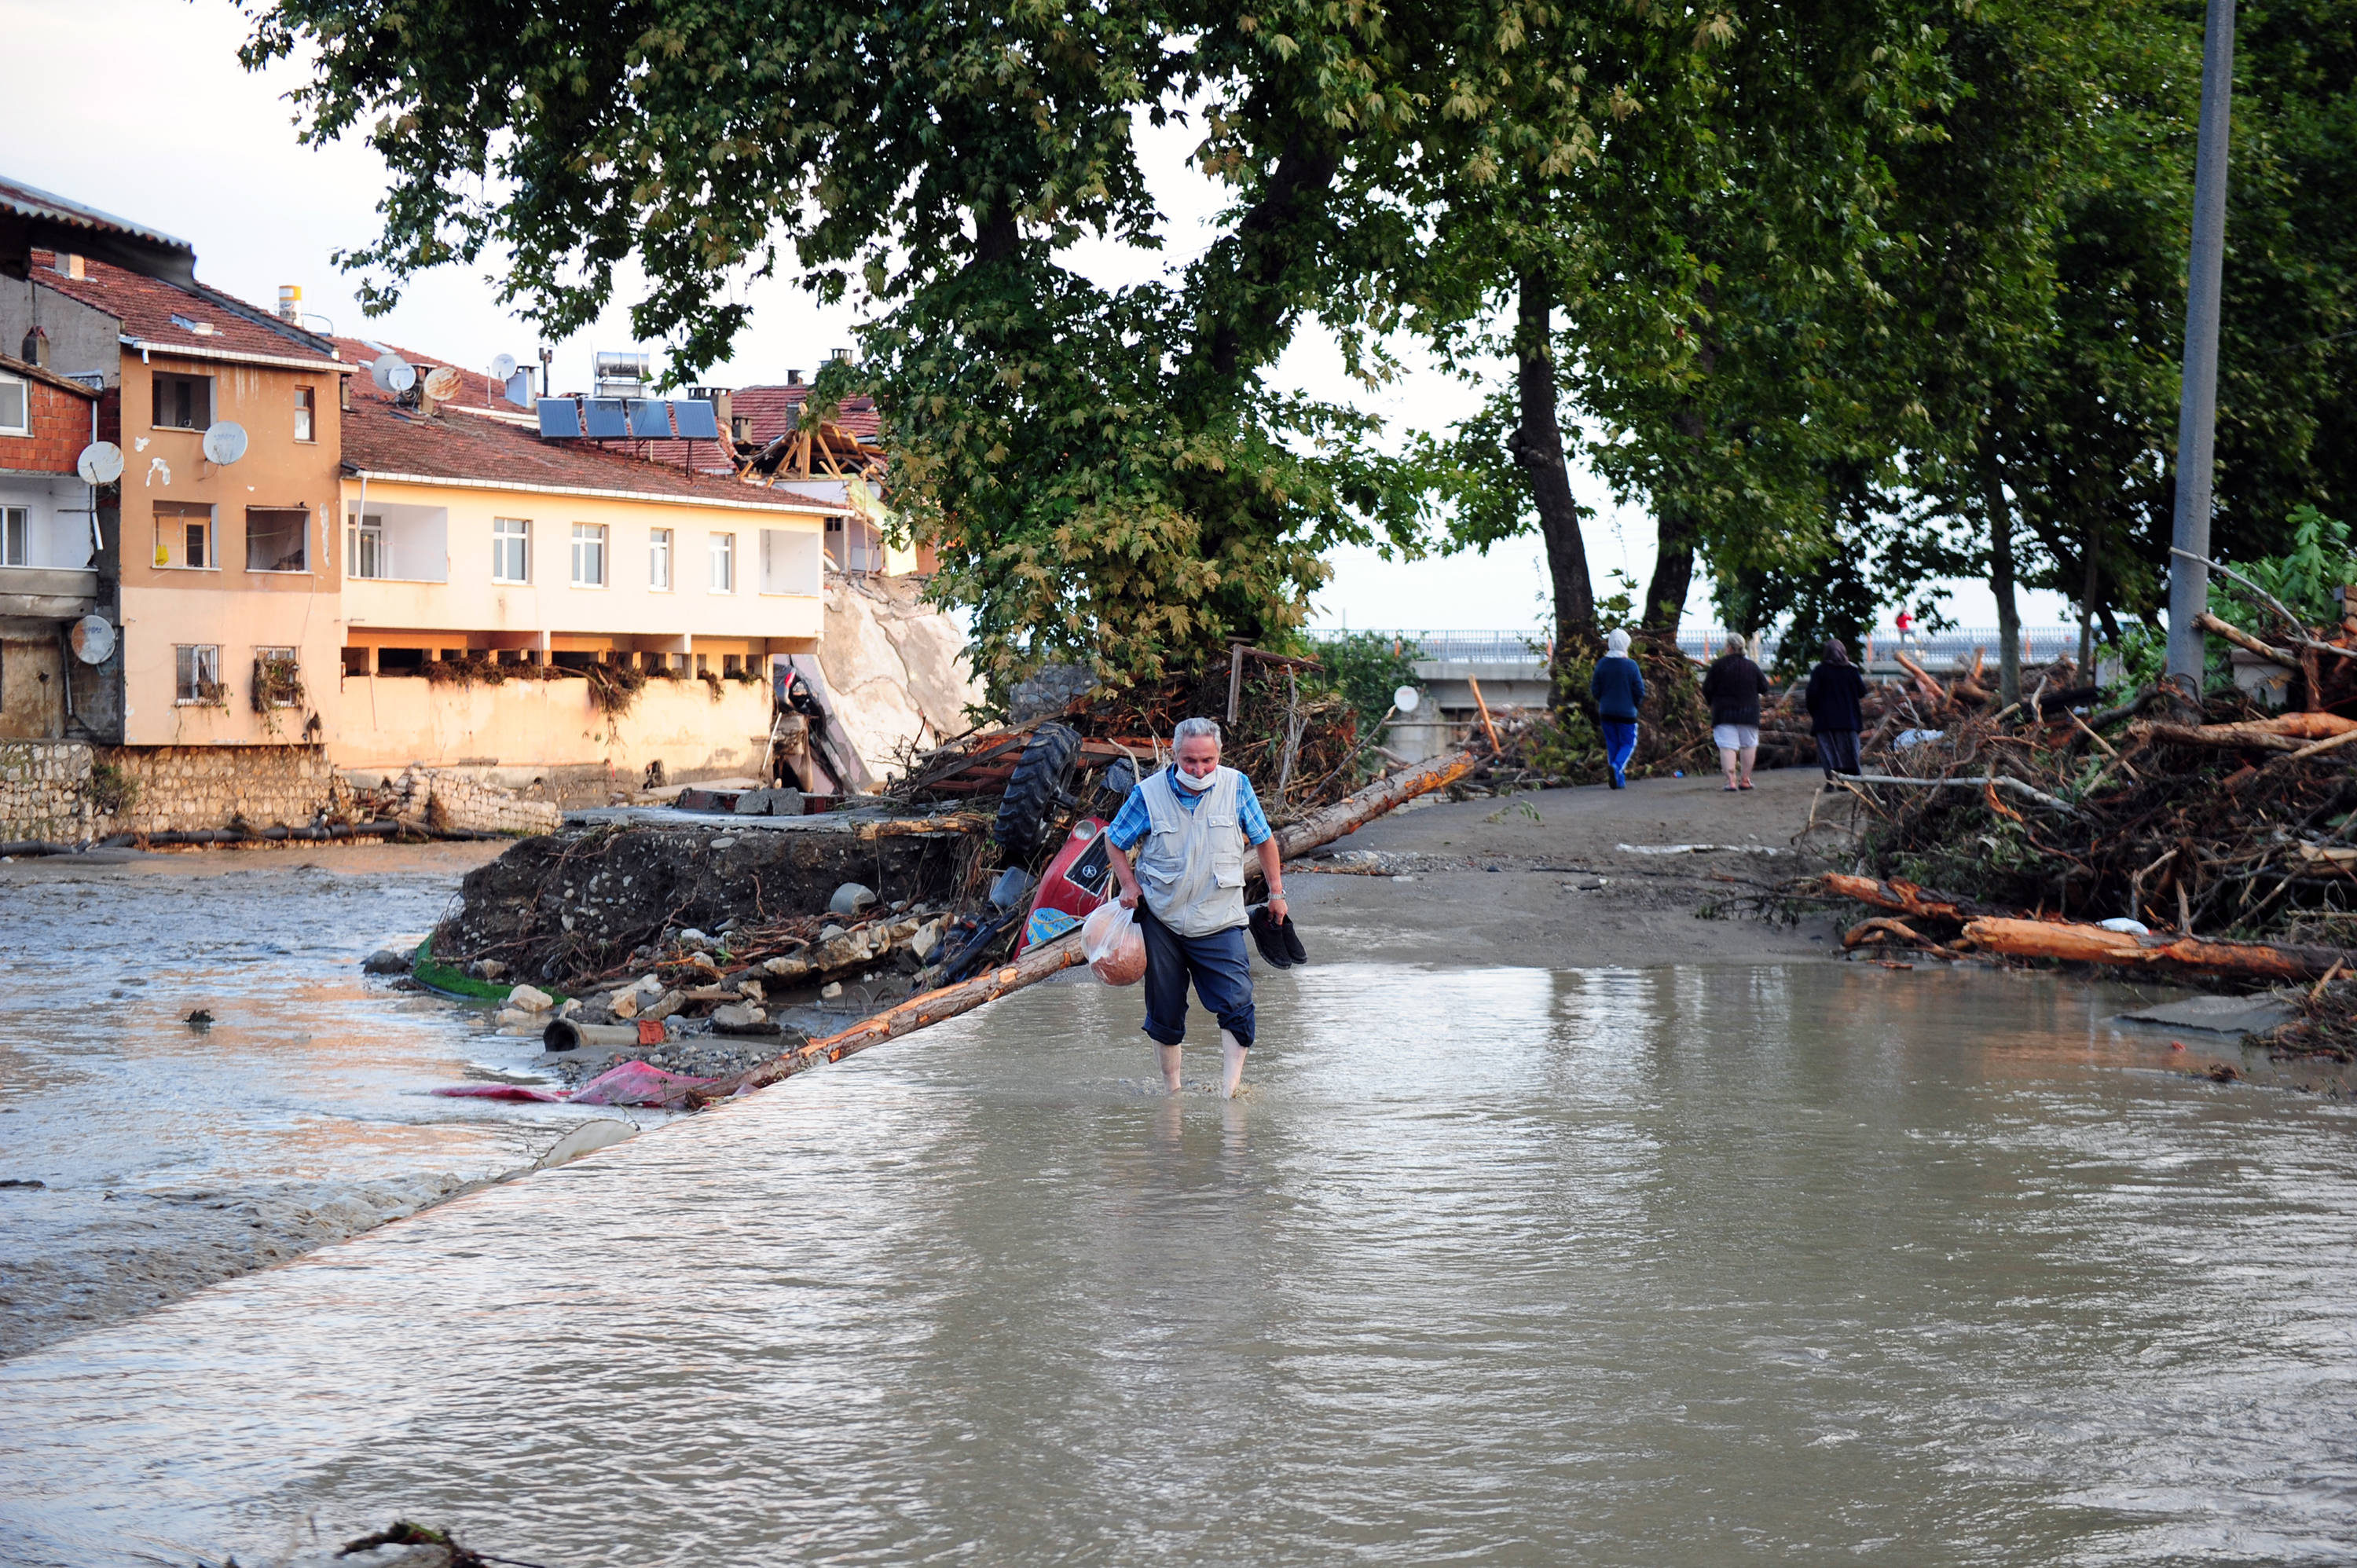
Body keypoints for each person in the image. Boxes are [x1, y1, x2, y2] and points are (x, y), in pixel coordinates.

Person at [1105, 717, 1287, 1097]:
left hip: (1220, 917)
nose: (1200, 769)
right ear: (1174, 754)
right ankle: (1172, 1094)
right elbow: (1115, 840)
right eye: (1190, 761)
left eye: (1208, 760)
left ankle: (1228, 1093)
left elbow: (1265, 841)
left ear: (1219, 754)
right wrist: (1128, 883)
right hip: (1162, 919)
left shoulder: (1237, 786)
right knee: (1166, 1012)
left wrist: (1276, 893)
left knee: (1237, 1003)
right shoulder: (1148, 793)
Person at [1700, 636, 1772, 792]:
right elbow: (1765, 687)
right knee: (1749, 745)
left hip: (1723, 712)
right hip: (1749, 712)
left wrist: (1711, 703)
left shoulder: (1718, 666)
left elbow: (1707, 689)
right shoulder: (1752, 666)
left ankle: (1731, 782)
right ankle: (1745, 780)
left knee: (1727, 747)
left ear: (1729, 648)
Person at [1589, 629, 1646, 789]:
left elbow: (1595, 689)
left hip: (1606, 712)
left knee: (1612, 743)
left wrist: (1604, 701)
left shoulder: (1602, 664)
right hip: (1627, 713)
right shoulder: (1631, 665)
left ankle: (1618, 781)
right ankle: (1616, 767)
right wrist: (1634, 704)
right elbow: (1639, 690)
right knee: (1628, 743)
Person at [1804, 637, 1868, 779]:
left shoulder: (1819, 671)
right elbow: (1862, 692)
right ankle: (1846, 781)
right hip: (1849, 720)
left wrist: (1814, 713)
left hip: (1824, 721)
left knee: (1828, 753)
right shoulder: (1852, 670)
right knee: (1849, 753)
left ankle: (1831, 780)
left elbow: (1811, 695)